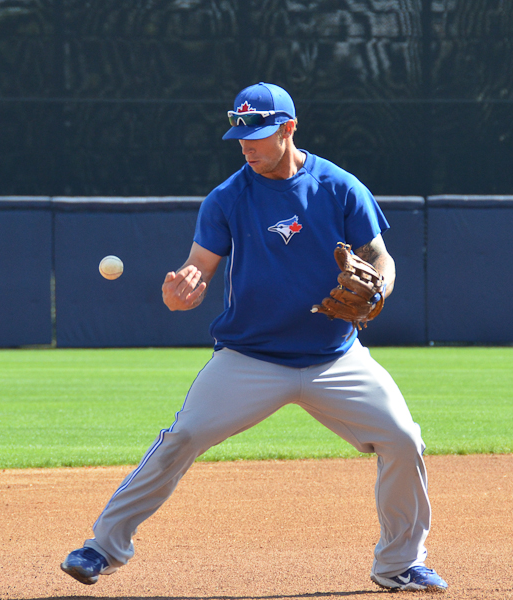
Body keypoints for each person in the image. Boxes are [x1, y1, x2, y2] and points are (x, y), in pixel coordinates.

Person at [60, 82, 448, 593]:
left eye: (259, 134)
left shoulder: (338, 186)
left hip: (334, 357)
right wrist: (182, 291)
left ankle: (400, 562)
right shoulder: (227, 198)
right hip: (250, 358)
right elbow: (196, 270)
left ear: (288, 129)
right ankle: (103, 547)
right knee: (183, 437)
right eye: (241, 135)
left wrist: (379, 289)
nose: (247, 145)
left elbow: (380, 258)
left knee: (403, 439)